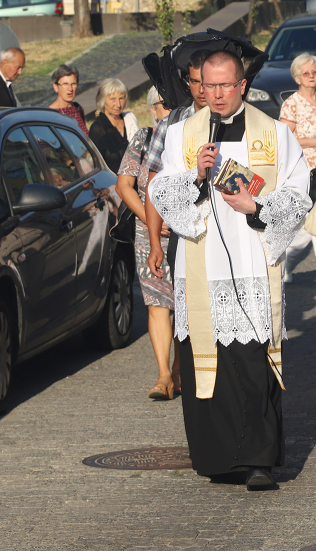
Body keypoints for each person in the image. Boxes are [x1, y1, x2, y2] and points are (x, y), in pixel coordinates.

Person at [148, 49, 311, 490]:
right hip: (201, 265)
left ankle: (258, 462)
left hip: (253, 263)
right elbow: (161, 191)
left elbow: (299, 193)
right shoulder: (182, 134)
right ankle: (218, 459)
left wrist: (256, 207)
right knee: (210, 365)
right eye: (208, 85)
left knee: (253, 361)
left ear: (242, 85)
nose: (216, 94)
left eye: (225, 85)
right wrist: (195, 177)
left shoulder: (274, 133)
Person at [117, 86, 179, 399]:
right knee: (158, 304)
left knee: (185, 303)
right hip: (147, 234)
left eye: (172, 104)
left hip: (187, 231)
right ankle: (163, 375)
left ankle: (180, 370)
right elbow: (124, 185)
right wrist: (151, 220)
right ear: (152, 110)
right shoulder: (143, 138)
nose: (167, 110)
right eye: (163, 104)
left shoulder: (186, 136)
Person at [143, 50, 209, 277]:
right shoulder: (170, 125)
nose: (202, 89)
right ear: (187, 82)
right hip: (182, 234)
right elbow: (154, 187)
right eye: (195, 81)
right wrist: (155, 244)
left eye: (207, 82)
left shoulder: (233, 122)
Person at [279, 53, 316, 292]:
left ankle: (284, 263)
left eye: (315, 72)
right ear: (297, 78)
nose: (311, 76)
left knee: (308, 226)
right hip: (304, 169)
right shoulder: (291, 104)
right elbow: (283, 139)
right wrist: (313, 141)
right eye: (306, 73)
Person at [89, 78, 139, 173]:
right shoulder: (97, 129)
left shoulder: (129, 120)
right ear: (103, 100)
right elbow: (96, 165)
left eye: (121, 98)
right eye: (112, 99)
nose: (118, 104)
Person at [47, 64, 88, 134]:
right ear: (56, 87)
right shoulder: (49, 114)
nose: (70, 89)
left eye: (73, 84)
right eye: (65, 84)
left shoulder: (78, 109)